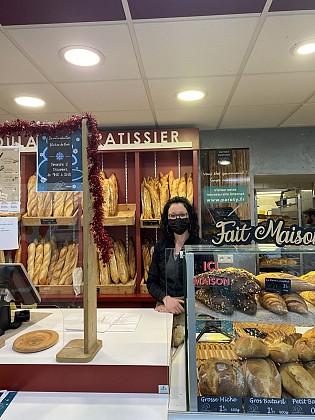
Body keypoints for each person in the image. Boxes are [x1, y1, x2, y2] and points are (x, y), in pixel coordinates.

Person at [147, 196, 208, 316]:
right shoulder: (161, 247)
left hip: (194, 308)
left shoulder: (201, 247)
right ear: (167, 220)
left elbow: (207, 284)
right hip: (165, 307)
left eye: (182, 215)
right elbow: (151, 282)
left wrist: (182, 304)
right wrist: (165, 299)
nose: (177, 219)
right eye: (173, 216)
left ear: (189, 217)